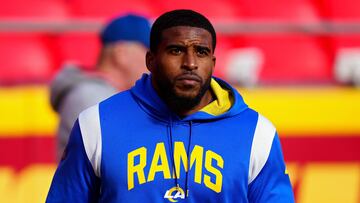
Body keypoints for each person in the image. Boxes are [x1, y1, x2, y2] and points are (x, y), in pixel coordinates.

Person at [46, 9, 295, 202]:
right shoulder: (97, 123)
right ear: (150, 60)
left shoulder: (257, 134)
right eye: (176, 51)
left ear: (213, 61)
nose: (190, 63)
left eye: (201, 52)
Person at [49, 14, 151, 160]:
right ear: (120, 53)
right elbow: (120, 161)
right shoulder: (90, 96)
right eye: (149, 52)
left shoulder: (102, 94)